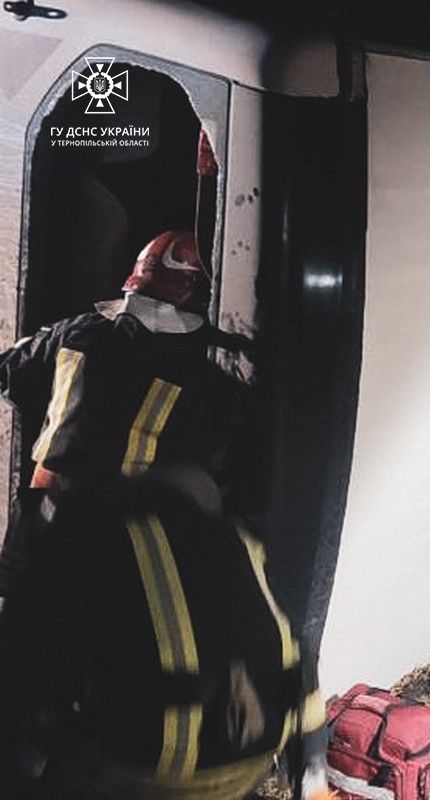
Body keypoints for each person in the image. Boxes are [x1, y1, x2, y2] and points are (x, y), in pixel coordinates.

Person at [0, 465, 328, 799]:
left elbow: (22, 655)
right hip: (248, 769)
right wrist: (314, 778)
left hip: (144, 777)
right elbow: (301, 660)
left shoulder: (96, 534)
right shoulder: (244, 544)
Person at [0, 230, 250, 597]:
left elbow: (11, 374)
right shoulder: (205, 375)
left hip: (47, 512)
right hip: (131, 532)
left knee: (27, 624)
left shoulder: (78, 332)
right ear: (194, 290)